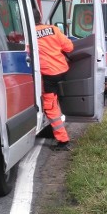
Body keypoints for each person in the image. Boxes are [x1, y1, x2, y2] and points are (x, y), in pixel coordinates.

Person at [34, 10, 73, 151]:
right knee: (54, 102)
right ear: (40, 18)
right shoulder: (53, 29)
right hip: (62, 70)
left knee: (50, 107)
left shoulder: (29, 35)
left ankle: (63, 140)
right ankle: (51, 129)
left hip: (47, 75)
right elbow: (69, 47)